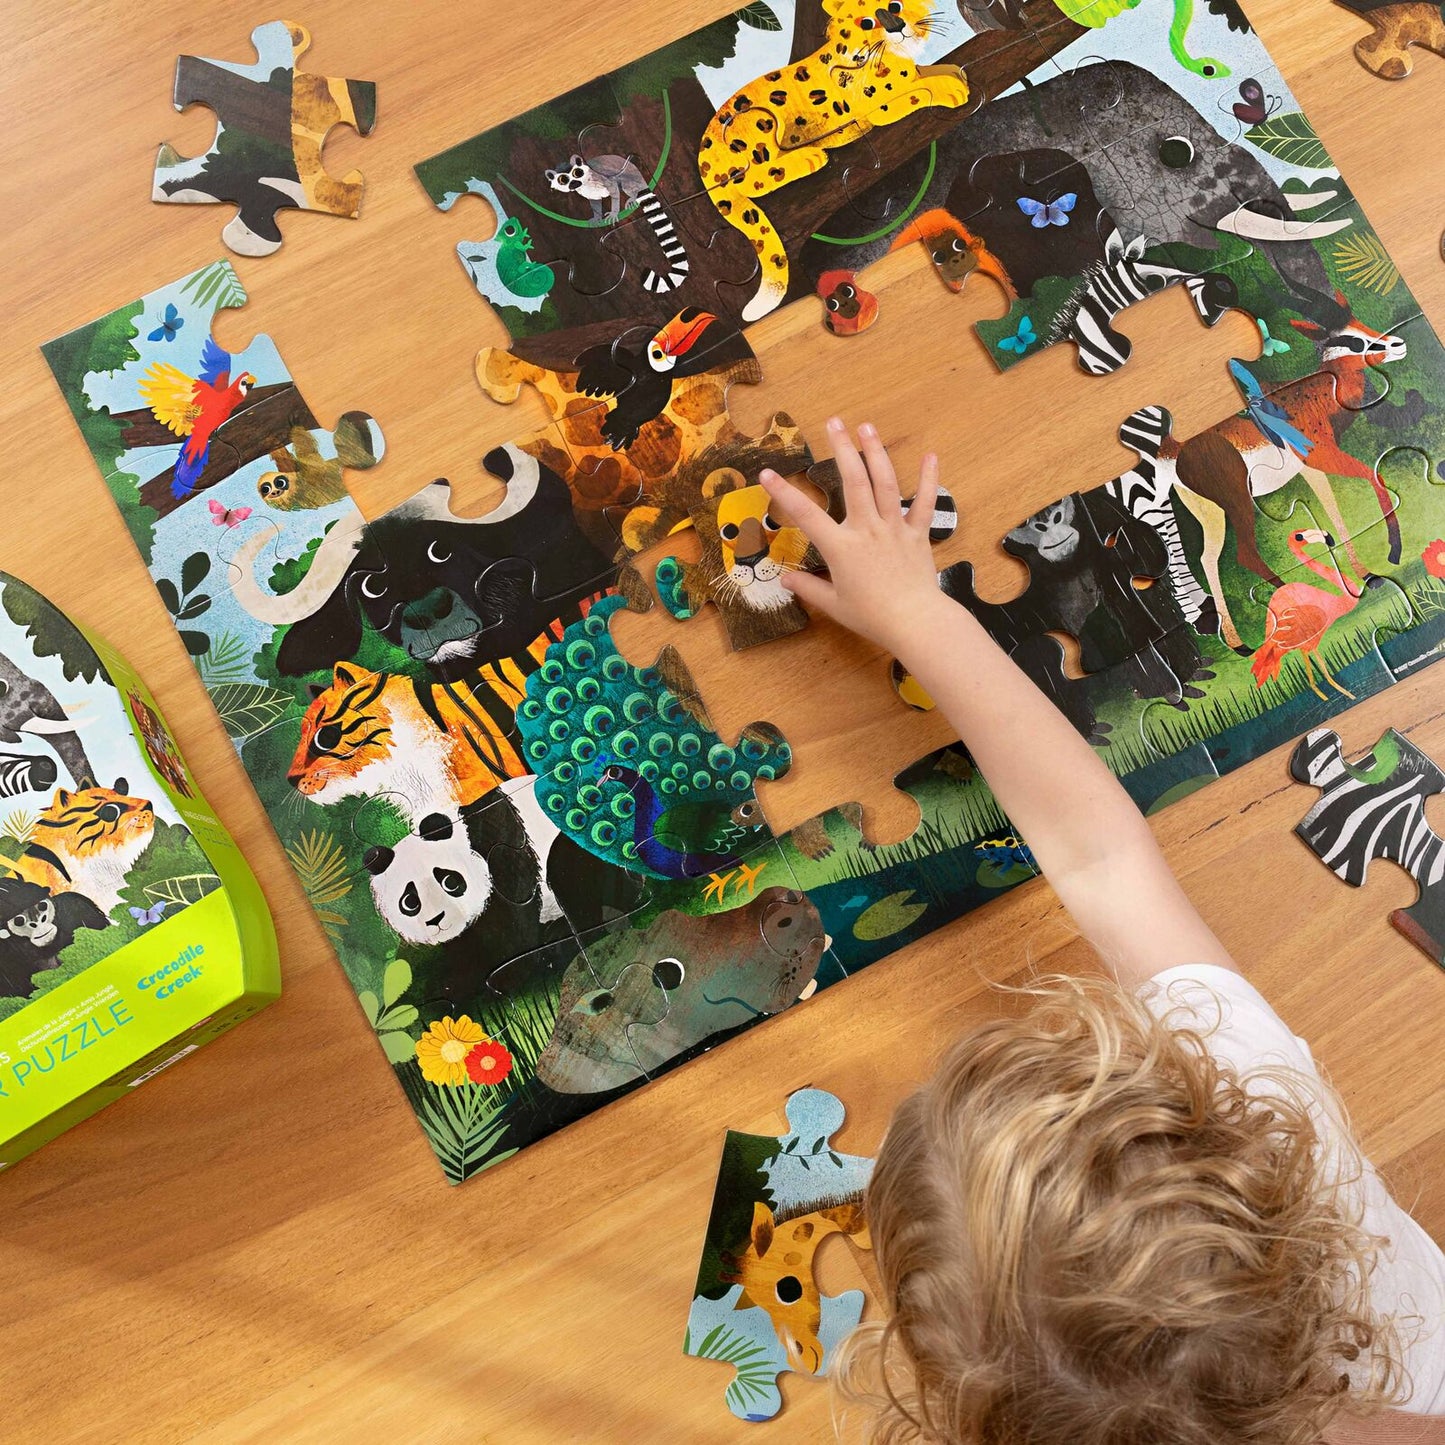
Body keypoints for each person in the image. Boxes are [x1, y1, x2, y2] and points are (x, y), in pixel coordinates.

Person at [759, 420, 1445, 1445]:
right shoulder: (1272, 1121)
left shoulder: (1266, 1132)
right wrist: (915, 611)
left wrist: (917, 616)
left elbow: (1101, 859)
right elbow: (1100, 859)